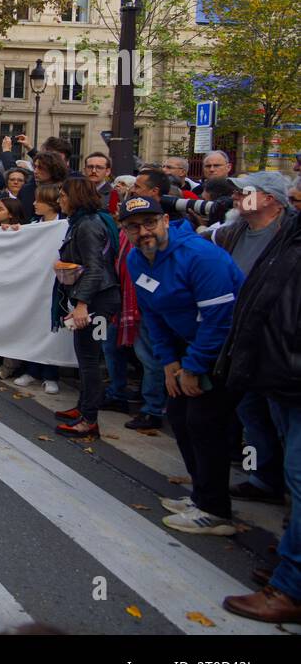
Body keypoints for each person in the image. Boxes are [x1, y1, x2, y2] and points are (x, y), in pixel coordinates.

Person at [119, 194, 244, 536]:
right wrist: (170, 362)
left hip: (226, 349)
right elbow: (153, 314)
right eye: (133, 227)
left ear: (163, 221)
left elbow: (219, 319)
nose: (142, 231)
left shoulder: (201, 257)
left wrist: (193, 367)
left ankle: (215, 510)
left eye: (148, 223)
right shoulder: (136, 259)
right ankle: (202, 495)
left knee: (205, 423)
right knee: (180, 418)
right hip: (186, 348)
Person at [218, 194, 301, 624]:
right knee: (292, 474)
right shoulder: (286, 235)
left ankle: (291, 586)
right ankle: (291, 564)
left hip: (289, 371)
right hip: (279, 375)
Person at [211, 172, 294, 505]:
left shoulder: (291, 233)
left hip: (279, 342)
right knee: (250, 413)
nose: (234, 197)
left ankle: (289, 489)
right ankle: (262, 477)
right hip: (239, 338)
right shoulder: (233, 232)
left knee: (282, 419)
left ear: (270, 199)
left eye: (243, 192)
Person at [51, 179, 122, 438]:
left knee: (90, 359)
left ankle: (89, 419)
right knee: (85, 357)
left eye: (62, 195)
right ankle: (83, 408)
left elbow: (95, 268)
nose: (59, 200)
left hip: (98, 300)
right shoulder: (83, 222)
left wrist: (82, 304)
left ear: (75, 197)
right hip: (97, 297)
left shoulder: (88, 225)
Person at [12, 184, 65, 390]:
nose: (34, 204)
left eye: (39, 201)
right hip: (33, 283)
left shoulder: (65, 225)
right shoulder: (34, 223)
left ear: (52, 204)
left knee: (53, 330)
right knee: (32, 327)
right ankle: (31, 370)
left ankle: (51, 375)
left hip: (55, 284)